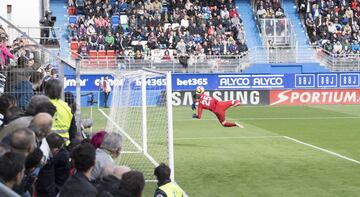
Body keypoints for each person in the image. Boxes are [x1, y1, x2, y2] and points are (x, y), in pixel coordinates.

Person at [45, 79, 75, 145]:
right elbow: (72, 131)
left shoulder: (42, 105)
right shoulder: (66, 107)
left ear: (46, 90)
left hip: (46, 143)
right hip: (64, 144)